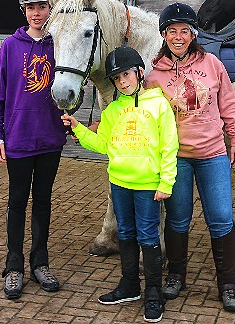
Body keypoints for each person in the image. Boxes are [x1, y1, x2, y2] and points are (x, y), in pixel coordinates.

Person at [62, 46, 178, 324]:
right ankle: (129, 286)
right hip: (120, 184)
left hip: (148, 185)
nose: (123, 81)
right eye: (116, 78)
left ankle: (153, 292)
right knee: (125, 233)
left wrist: (166, 181)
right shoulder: (113, 110)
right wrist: (78, 128)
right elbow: (102, 144)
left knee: (148, 236)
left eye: (126, 74)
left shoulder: (159, 104)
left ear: (139, 73)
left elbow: (169, 145)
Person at [145, 2, 235, 313]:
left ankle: (227, 284)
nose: (178, 36)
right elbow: (146, 116)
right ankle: (175, 275)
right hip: (177, 159)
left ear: (193, 34)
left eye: (184, 31)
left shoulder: (213, 64)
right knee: (177, 219)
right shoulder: (153, 76)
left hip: (213, 154)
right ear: (164, 35)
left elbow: (228, 103)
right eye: (172, 31)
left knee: (221, 218)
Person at [0, 0, 66, 300]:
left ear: (50, 10)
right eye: (31, 7)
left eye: (42, 7)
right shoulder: (10, 46)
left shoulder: (58, 43)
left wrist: (72, 123)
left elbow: (69, 88)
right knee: (18, 202)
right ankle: (14, 265)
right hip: (18, 138)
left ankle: (40, 262)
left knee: (44, 202)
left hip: (50, 139)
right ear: (24, 11)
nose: (36, 13)